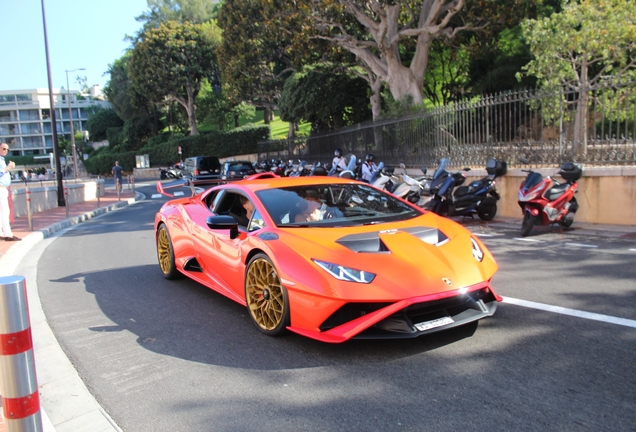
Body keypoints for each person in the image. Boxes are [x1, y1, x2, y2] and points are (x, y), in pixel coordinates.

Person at [0, 142, 20, 241]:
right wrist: (8, 168)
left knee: (2, 212)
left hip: (3, 188)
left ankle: (2, 233)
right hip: (0, 188)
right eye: (4, 149)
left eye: (7, 149)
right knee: (5, 211)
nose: (5, 151)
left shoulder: (2, 160)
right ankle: (8, 234)